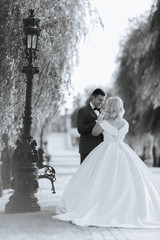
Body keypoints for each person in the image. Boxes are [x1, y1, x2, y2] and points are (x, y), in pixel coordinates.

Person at [52, 96, 160, 228]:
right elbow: (120, 136)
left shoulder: (104, 122)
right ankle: (124, 208)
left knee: (100, 179)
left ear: (109, 107)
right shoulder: (125, 123)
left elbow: (95, 133)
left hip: (106, 151)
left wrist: (100, 121)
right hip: (123, 151)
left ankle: (102, 206)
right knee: (126, 180)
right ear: (120, 107)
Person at [77, 88, 106, 164]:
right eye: (100, 100)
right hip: (87, 149)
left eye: (103, 100)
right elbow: (80, 129)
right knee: (85, 174)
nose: (102, 102)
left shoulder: (103, 112)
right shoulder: (83, 111)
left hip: (100, 149)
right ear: (93, 97)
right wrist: (96, 122)